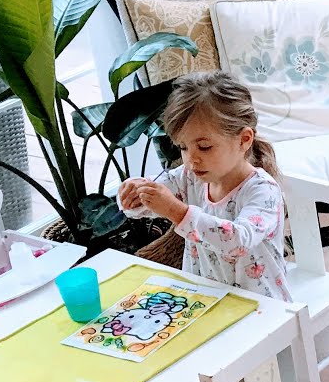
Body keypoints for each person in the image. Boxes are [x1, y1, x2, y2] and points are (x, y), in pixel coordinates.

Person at [118, 70, 291, 300]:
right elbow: (153, 199)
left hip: (263, 306)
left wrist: (175, 211)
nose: (191, 159)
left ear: (244, 140)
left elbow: (237, 242)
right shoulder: (189, 177)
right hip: (204, 299)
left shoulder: (263, 191)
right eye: (183, 147)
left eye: (204, 147)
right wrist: (135, 193)